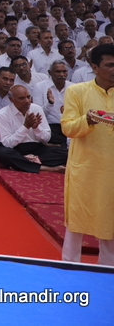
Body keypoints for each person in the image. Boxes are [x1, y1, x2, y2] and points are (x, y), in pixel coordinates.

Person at [61, 43, 114, 265]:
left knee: (110, 221)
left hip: (111, 169)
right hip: (86, 166)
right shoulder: (77, 91)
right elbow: (68, 128)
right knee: (77, 220)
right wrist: (88, 119)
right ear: (94, 67)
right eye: (110, 65)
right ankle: (69, 266)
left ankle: (108, 270)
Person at [0, 85, 67, 174]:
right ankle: (47, 168)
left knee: (67, 153)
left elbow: (46, 139)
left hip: (35, 147)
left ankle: (23, 162)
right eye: (22, 98)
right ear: (11, 99)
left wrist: (36, 127)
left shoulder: (37, 109)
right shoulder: (3, 114)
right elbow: (8, 143)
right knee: (4, 154)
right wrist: (25, 127)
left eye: (28, 97)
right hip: (14, 148)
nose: (27, 101)